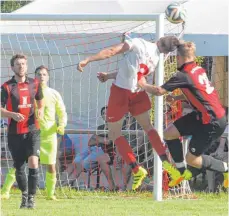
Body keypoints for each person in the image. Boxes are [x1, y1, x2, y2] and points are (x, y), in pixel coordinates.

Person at [77, 36, 182, 190]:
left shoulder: (138, 43)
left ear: (160, 38)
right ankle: (168, 165)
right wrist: (108, 76)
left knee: (114, 134)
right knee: (149, 128)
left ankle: (136, 168)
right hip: (138, 93)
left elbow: (112, 51)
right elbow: (132, 72)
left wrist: (88, 59)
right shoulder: (155, 59)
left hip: (121, 92)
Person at [138, 41, 228, 188]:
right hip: (204, 115)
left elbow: (158, 91)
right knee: (169, 133)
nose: (175, 61)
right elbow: (199, 94)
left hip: (212, 121)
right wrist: (176, 98)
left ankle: (225, 168)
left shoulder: (183, 75)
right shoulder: (198, 69)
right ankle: (180, 171)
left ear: (180, 58)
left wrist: (142, 83)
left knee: (192, 159)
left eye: (176, 58)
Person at [1, 54, 44, 209]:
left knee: (33, 161)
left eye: (24, 64)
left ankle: (32, 198)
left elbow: (40, 99)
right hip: (15, 132)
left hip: (33, 129)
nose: (21, 66)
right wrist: (12, 114)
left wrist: (41, 109)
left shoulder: (35, 83)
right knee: (19, 166)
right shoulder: (6, 86)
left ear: (27, 66)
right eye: (18, 64)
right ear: (12, 67)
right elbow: (0, 109)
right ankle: (24, 196)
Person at [35, 65, 67, 200]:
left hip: (49, 134)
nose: (41, 76)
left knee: (51, 164)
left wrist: (61, 125)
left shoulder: (54, 93)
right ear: (35, 77)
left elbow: (62, 112)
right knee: (20, 162)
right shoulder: (30, 92)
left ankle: (50, 193)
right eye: (38, 74)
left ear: (47, 77)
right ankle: (6, 191)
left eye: (43, 74)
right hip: (33, 133)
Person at [74, 106, 116, 191]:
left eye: (107, 112)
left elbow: (108, 142)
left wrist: (97, 138)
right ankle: (66, 183)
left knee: (83, 163)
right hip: (93, 148)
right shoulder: (100, 127)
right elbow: (90, 142)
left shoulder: (115, 126)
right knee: (76, 161)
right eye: (103, 113)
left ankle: (72, 183)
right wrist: (100, 139)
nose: (105, 115)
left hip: (104, 152)